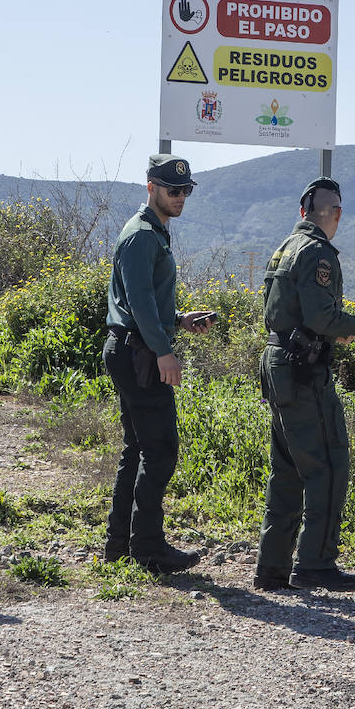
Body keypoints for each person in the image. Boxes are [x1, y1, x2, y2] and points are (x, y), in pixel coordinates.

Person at [254, 178, 355, 592]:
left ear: (302, 213)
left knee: (288, 470)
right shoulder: (317, 253)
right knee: (329, 466)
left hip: (279, 363)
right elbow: (318, 316)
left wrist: (330, 330)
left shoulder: (285, 248)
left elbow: (290, 312)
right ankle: (315, 563)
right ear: (337, 215)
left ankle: (272, 569)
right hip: (303, 370)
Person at [102, 154, 214, 574]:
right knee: (161, 450)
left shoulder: (153, 232)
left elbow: (147, 302)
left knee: (138, 449)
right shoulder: (142, 236)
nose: (181, 196)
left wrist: (179, 320)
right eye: (173, 189)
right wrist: (164, 350)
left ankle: (121, 544)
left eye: (186, 190)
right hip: (140, 353)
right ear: (151, 187)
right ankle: (147, 547)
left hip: (136, 347)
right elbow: (139, 303)